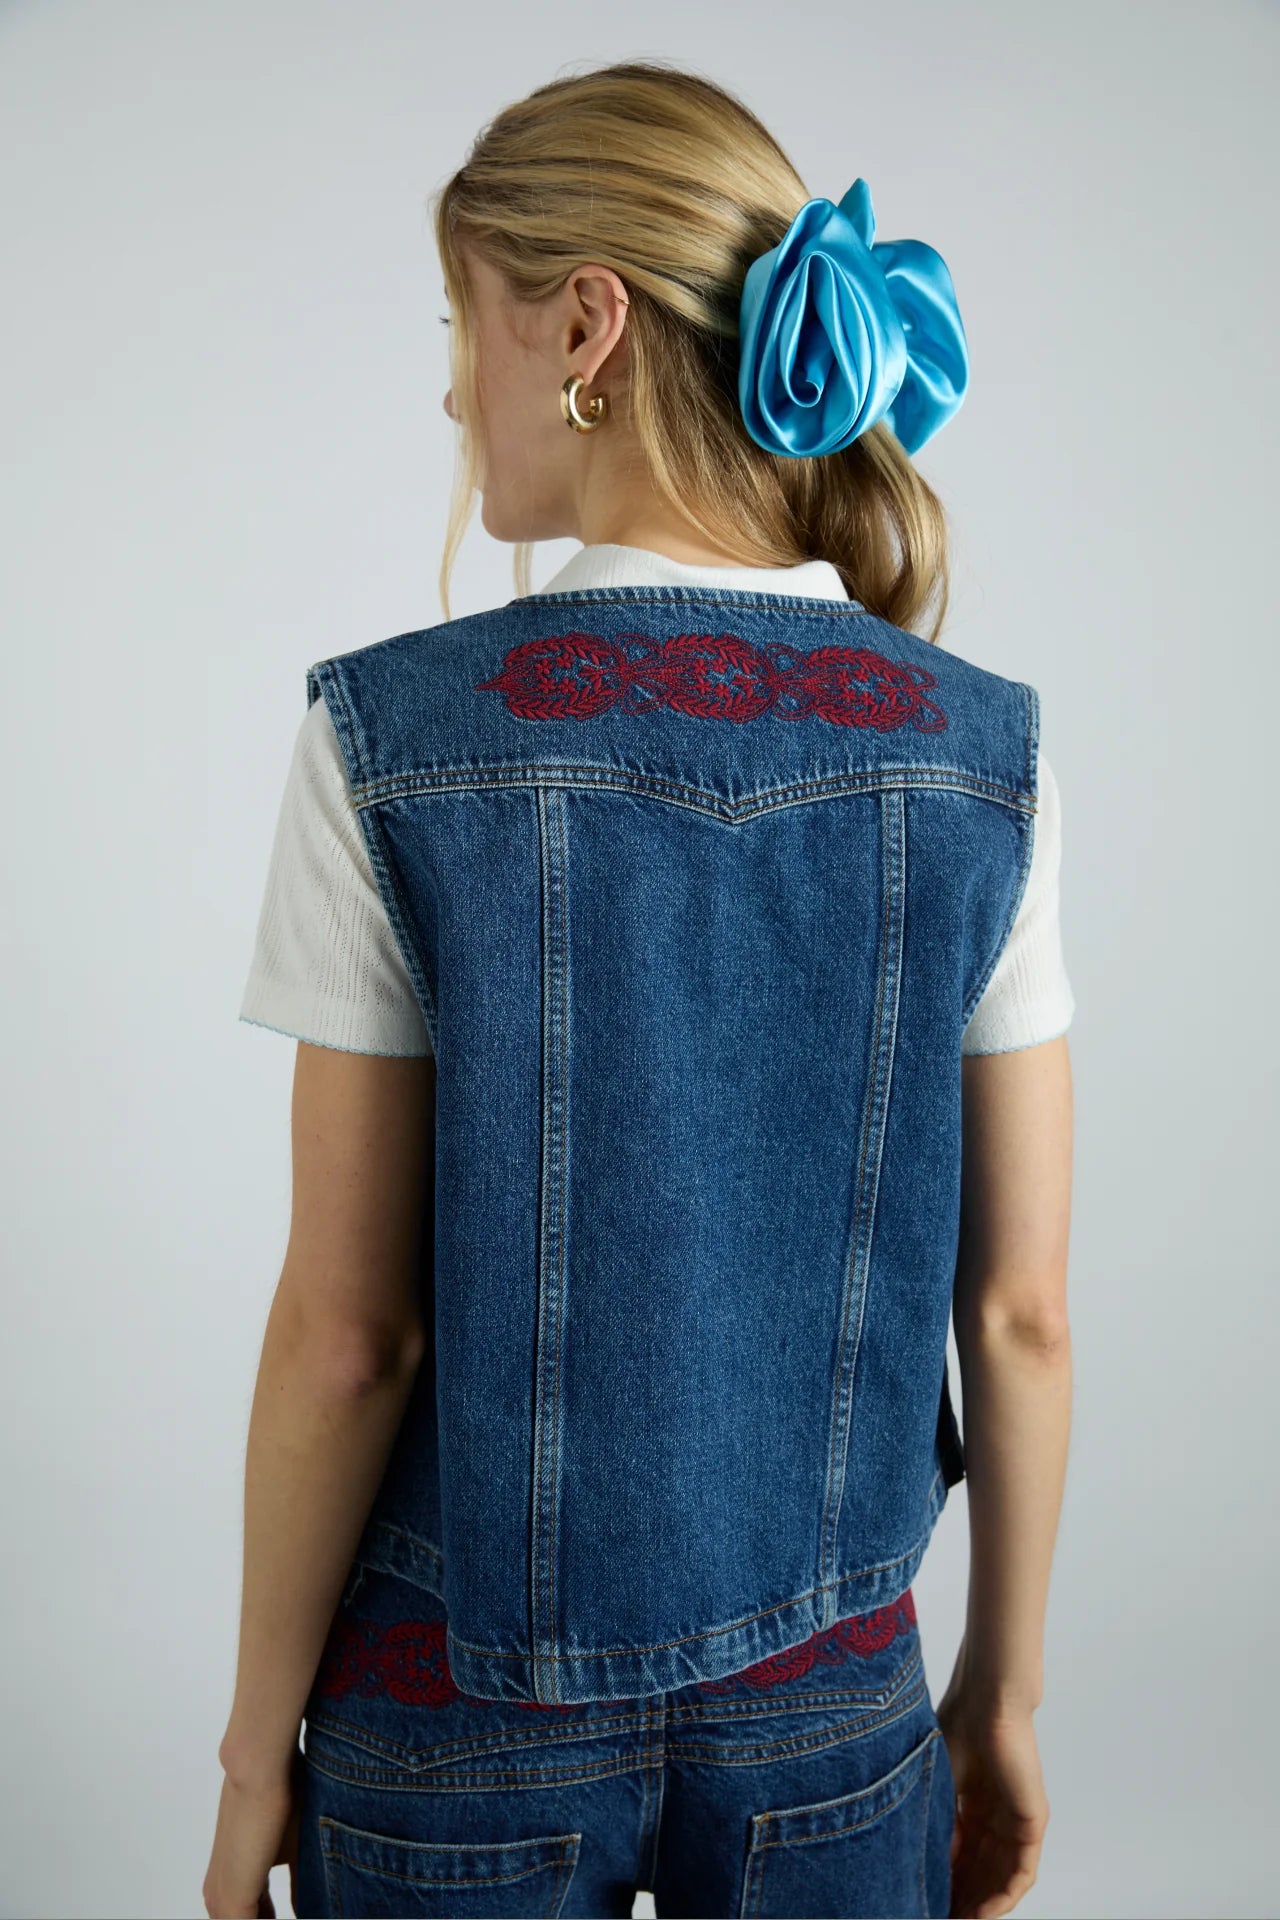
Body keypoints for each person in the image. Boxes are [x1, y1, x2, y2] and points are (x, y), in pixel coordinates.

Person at [204, 59, 1074, 1920]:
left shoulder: (389, 738)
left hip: (453, 1712)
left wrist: (250, 1750)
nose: (453, 387)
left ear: (584, 327)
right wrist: (997, 1703)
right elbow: (1018, 1318)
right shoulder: (985, 756)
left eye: (461, 323)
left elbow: (348, 1338)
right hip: (838, 1712)